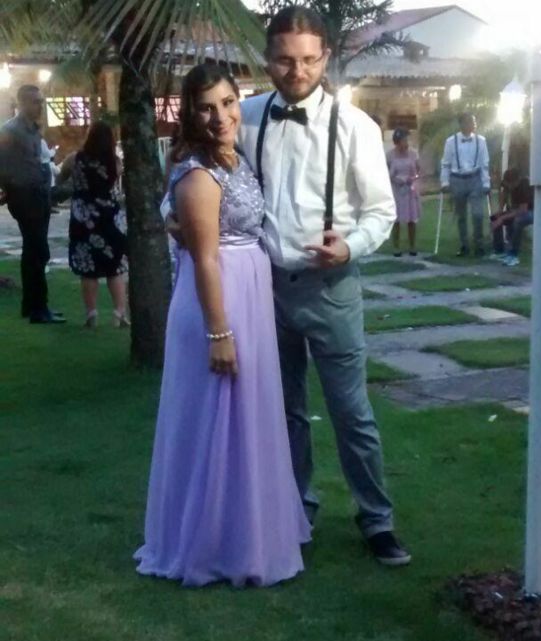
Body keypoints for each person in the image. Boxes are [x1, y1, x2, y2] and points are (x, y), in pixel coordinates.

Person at [237, 7, 410, 566]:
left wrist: (350, 246)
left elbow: (381, 212)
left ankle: (377, 519)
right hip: (264, 288)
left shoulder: (356, 126)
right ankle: (295, 509)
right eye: (285, 60)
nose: (298, 71)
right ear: (267, 58)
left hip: (331, 287)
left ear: (326, 58)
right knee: (283, 410)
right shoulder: (246, 117)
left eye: (309, 60)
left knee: (351, 411)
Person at [134, 63, 310, 588]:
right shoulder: (198, 172)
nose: (221, 117)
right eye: (206, 108)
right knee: (217, 423)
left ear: (240, 101)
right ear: (190, 114)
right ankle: (211, 544)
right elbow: (206, 258)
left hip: (247, 296)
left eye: (228, 103)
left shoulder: (235, 157)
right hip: (219, 302)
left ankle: (245, 533)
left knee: (245, 422)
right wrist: (220, 333)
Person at [0, 85, 65, 323]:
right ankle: (38, 309)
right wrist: (8, 188)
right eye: (36, 102)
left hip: (39, 195)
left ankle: (33, 305)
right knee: (37, 251)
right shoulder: (11, 130)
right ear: (23, 103)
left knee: (35, 251)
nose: (40, 106)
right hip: (25, 197)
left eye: (41, 101)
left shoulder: (33, 130)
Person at [57, 121, 129, 328]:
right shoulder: (115, 162)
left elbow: (61, 179)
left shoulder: (74, 159)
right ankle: (119, 313)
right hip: (109, 217)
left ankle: (91, 313)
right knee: (115, 266)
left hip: (83, 217)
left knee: (88, 267)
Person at [440, 112, 490, 257]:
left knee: (478, 214)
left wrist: (486, 183)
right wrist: (445, 181)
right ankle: (464, 246)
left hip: (475, 179)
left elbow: (484, 163)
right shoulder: (451, 141)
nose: (474, 124)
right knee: (461, 215)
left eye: (474, 122)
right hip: (457, 179)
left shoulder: (481, 141)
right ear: (462, 124)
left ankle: (479, 245)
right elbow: (446, 163)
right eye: (470, 122)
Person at [387, 127, 421, 257]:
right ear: (397, 141)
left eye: (407, 140)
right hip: (396, 190)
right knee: (396, 219)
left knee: (411, 219)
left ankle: (412, 246)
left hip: (409, 189)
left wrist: (412, 178)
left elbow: (418, 171)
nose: (406, 142)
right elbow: (385, 172)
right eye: (404, 140)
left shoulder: (413, 154)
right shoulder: (389, 155)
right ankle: (396, 246)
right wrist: (395, 179)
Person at [490, 173, 534, 267]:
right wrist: (500, 212)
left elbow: (523, 210)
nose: (508, 188)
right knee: (495, 218)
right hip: (516, 210)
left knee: (518, 221)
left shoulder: (524, 186)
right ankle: (499, 251)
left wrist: (502, 218)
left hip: (532, 211)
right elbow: (504, 194)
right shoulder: (508, 185)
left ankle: (513, 255)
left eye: (509, 185)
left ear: (516, 182)